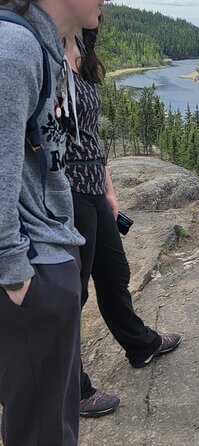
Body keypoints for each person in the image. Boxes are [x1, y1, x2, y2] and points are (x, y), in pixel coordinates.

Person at [63, 26, 182, 418]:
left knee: (115, 272)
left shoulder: (77, 45)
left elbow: (90, 133)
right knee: (70, 295)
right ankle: (72, 390)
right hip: (63, 194)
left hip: (93, 188)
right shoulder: (35, 48)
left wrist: (109, 187)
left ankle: (140, 344)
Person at [0, 0, 101, 443]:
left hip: (47, 256)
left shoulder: (42, 46)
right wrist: (14, 270)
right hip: (32, 270)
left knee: (50, 422)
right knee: (41, 431)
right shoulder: (14, 47)